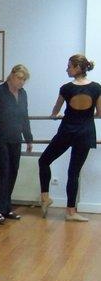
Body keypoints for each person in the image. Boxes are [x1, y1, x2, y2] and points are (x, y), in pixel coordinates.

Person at [39, 55, 100, 222]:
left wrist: (55, 115)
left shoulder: (65, 88)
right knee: (74, 172)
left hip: (67, 130)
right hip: (86, 131)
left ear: (78, 68)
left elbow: (55, 111)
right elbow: (100, 113)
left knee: (43, 161)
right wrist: (87, 116)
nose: (67, 69)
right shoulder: (96, 88)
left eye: (69, 66)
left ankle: (45, 197)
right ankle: (71, 212)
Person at [0, 64, 34, 225]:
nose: (21, 82)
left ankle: (6, 207)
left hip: (15, 138)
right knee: (2, 172)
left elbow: (24, 117)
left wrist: (28, 138)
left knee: (13, 171)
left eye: (24, 80)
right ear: (11, 76)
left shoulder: (23, 94)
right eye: (19, 78)